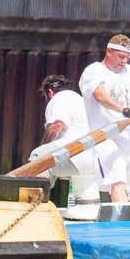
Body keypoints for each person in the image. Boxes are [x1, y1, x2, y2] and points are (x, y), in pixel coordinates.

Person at [80, 33, 130, 202]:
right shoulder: (94, 71)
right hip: (103, 133)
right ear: (109, 52)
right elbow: (99, 95)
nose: (124, 61)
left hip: (129, 131)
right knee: (117, 177)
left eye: (128, 57)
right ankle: (120, 223)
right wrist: (125, 110)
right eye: (121, 57)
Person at [35, 73, 100, 204]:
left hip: (74, 154)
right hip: (94, 159)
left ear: (50, 92)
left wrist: (42, 148)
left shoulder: (59, 98)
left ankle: (37, 205)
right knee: (84, 185)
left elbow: (56, 126)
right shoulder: (80, 100)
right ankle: (87, 207)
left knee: (37, 157)